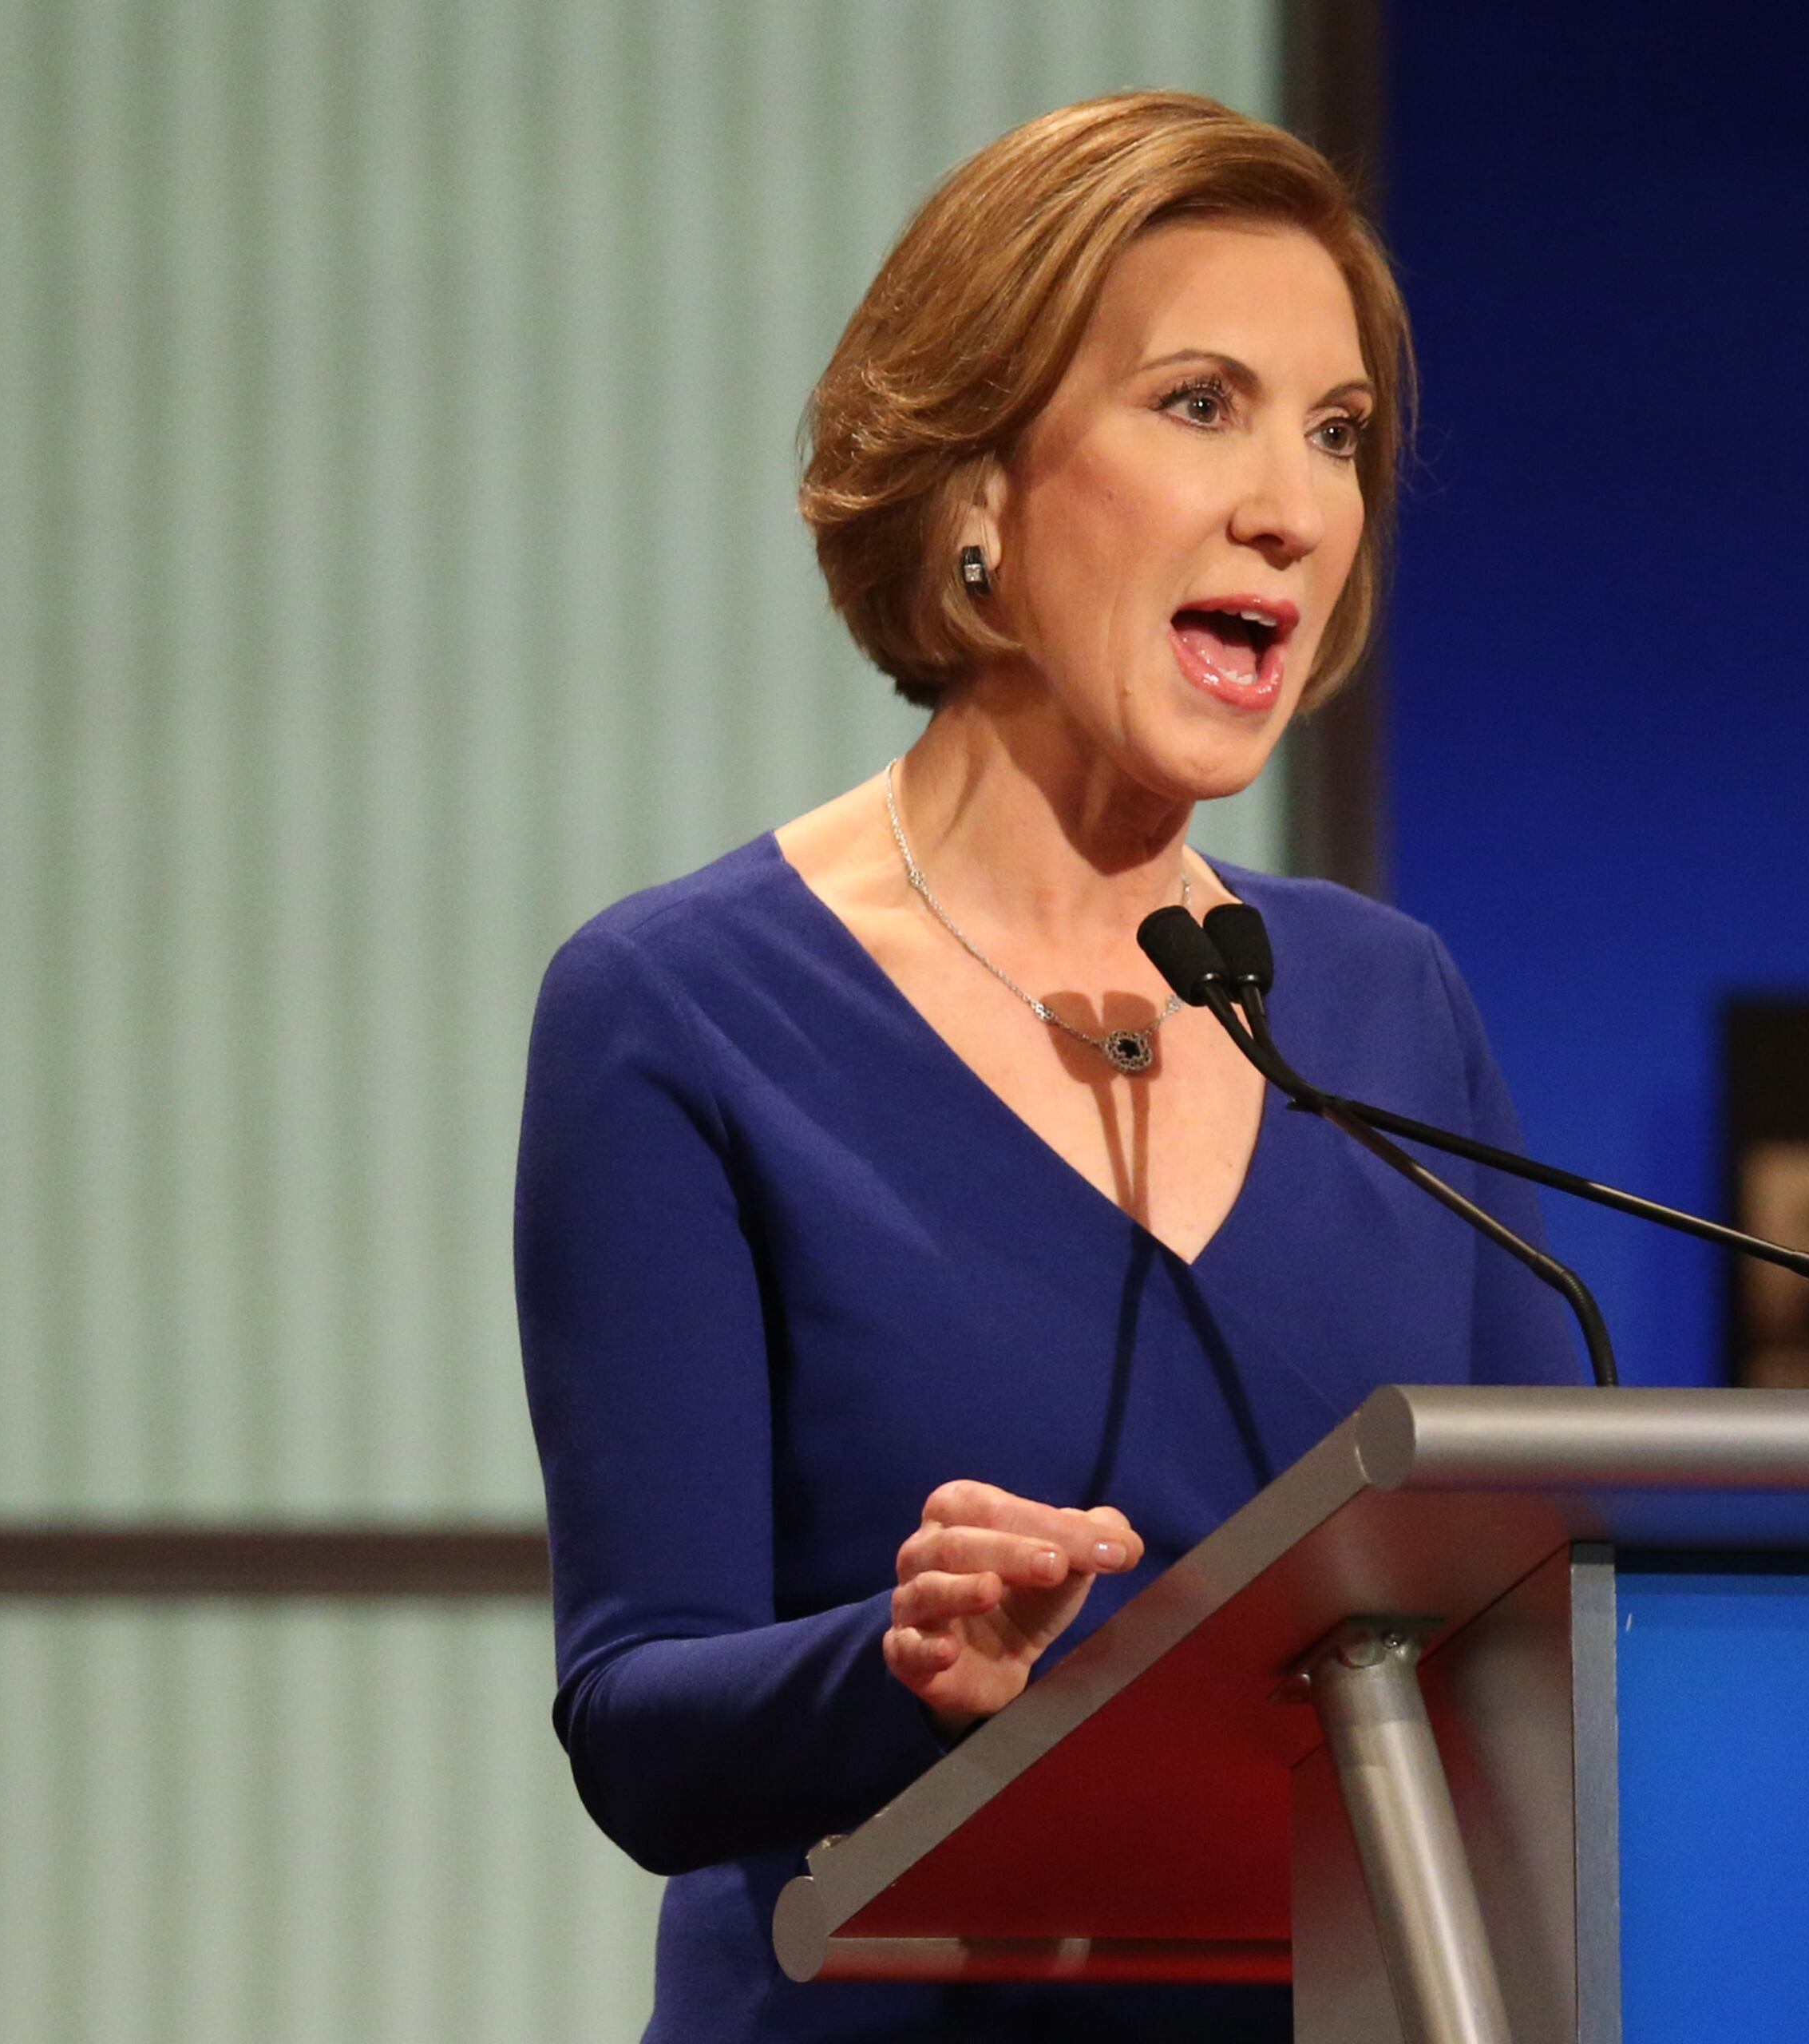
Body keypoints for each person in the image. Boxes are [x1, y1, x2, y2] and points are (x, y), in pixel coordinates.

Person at [513, 93, 1584, 2042]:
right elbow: (637, 1720)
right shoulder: (680, 1008)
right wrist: (902, 1658)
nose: (1296, 503)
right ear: (978, 483)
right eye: (1203, 403)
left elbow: (1565, 1608)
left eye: (1336, 432)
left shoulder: (1382, 1006)